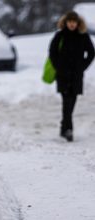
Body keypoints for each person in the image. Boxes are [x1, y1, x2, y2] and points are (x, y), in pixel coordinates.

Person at [49, 11, 95, 142]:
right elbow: (52, 52)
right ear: (66, 22)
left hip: (76, 75)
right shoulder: (60, 35)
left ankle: (64, 127)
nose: (72, 24)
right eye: (70, 22)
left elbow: (91, 53)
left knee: (72, 102)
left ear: (78, 23)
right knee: (66, 102)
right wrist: (58, 66)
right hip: (62, 75)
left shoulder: (83, 36)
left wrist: (83, 66)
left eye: (74, 22)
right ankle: (68, 130)